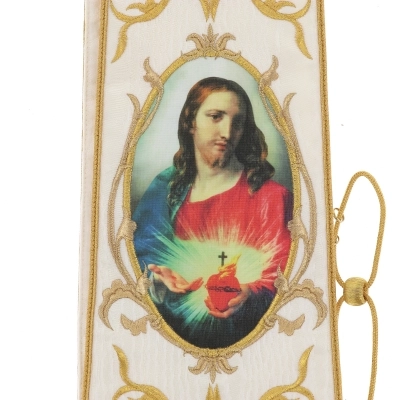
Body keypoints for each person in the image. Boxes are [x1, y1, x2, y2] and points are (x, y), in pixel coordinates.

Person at [132, 77, 293, 348]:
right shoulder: (165, 189)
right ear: (190, 122)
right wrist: (157, 279)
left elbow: (286, 280)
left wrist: (249, 294)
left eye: (237, 122)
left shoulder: (271, 198)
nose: (227, 132)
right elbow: (132, 259)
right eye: (216, 117)